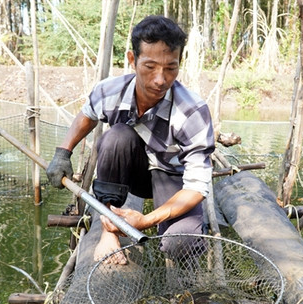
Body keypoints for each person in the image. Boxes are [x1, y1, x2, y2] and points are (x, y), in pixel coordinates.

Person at [46, 15, 215, 265]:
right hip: (131, 170)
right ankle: (108, 231)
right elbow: (87, 115)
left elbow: (197, 187)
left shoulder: (192, 111)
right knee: (116, 136)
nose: (160, 79)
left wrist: (145, 221)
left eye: (171, 68)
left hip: (171, 174)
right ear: (132, 60)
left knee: (183, 245)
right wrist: (63, 152)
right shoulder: (108, 91)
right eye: (150, 67)